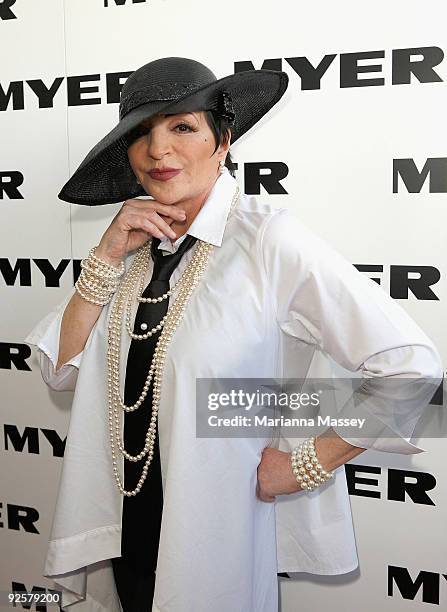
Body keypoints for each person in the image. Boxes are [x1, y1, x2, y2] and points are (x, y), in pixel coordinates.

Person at [25, 57, 443, 612]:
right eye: (141, 135)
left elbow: (410, 366)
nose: (158, 151)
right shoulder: (130, 247)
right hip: (126, 525)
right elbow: (59, 370)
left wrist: (306, 462)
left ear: (223, 140)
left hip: (211, 533)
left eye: (182, 126)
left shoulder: (268, 240)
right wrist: (104, 256)